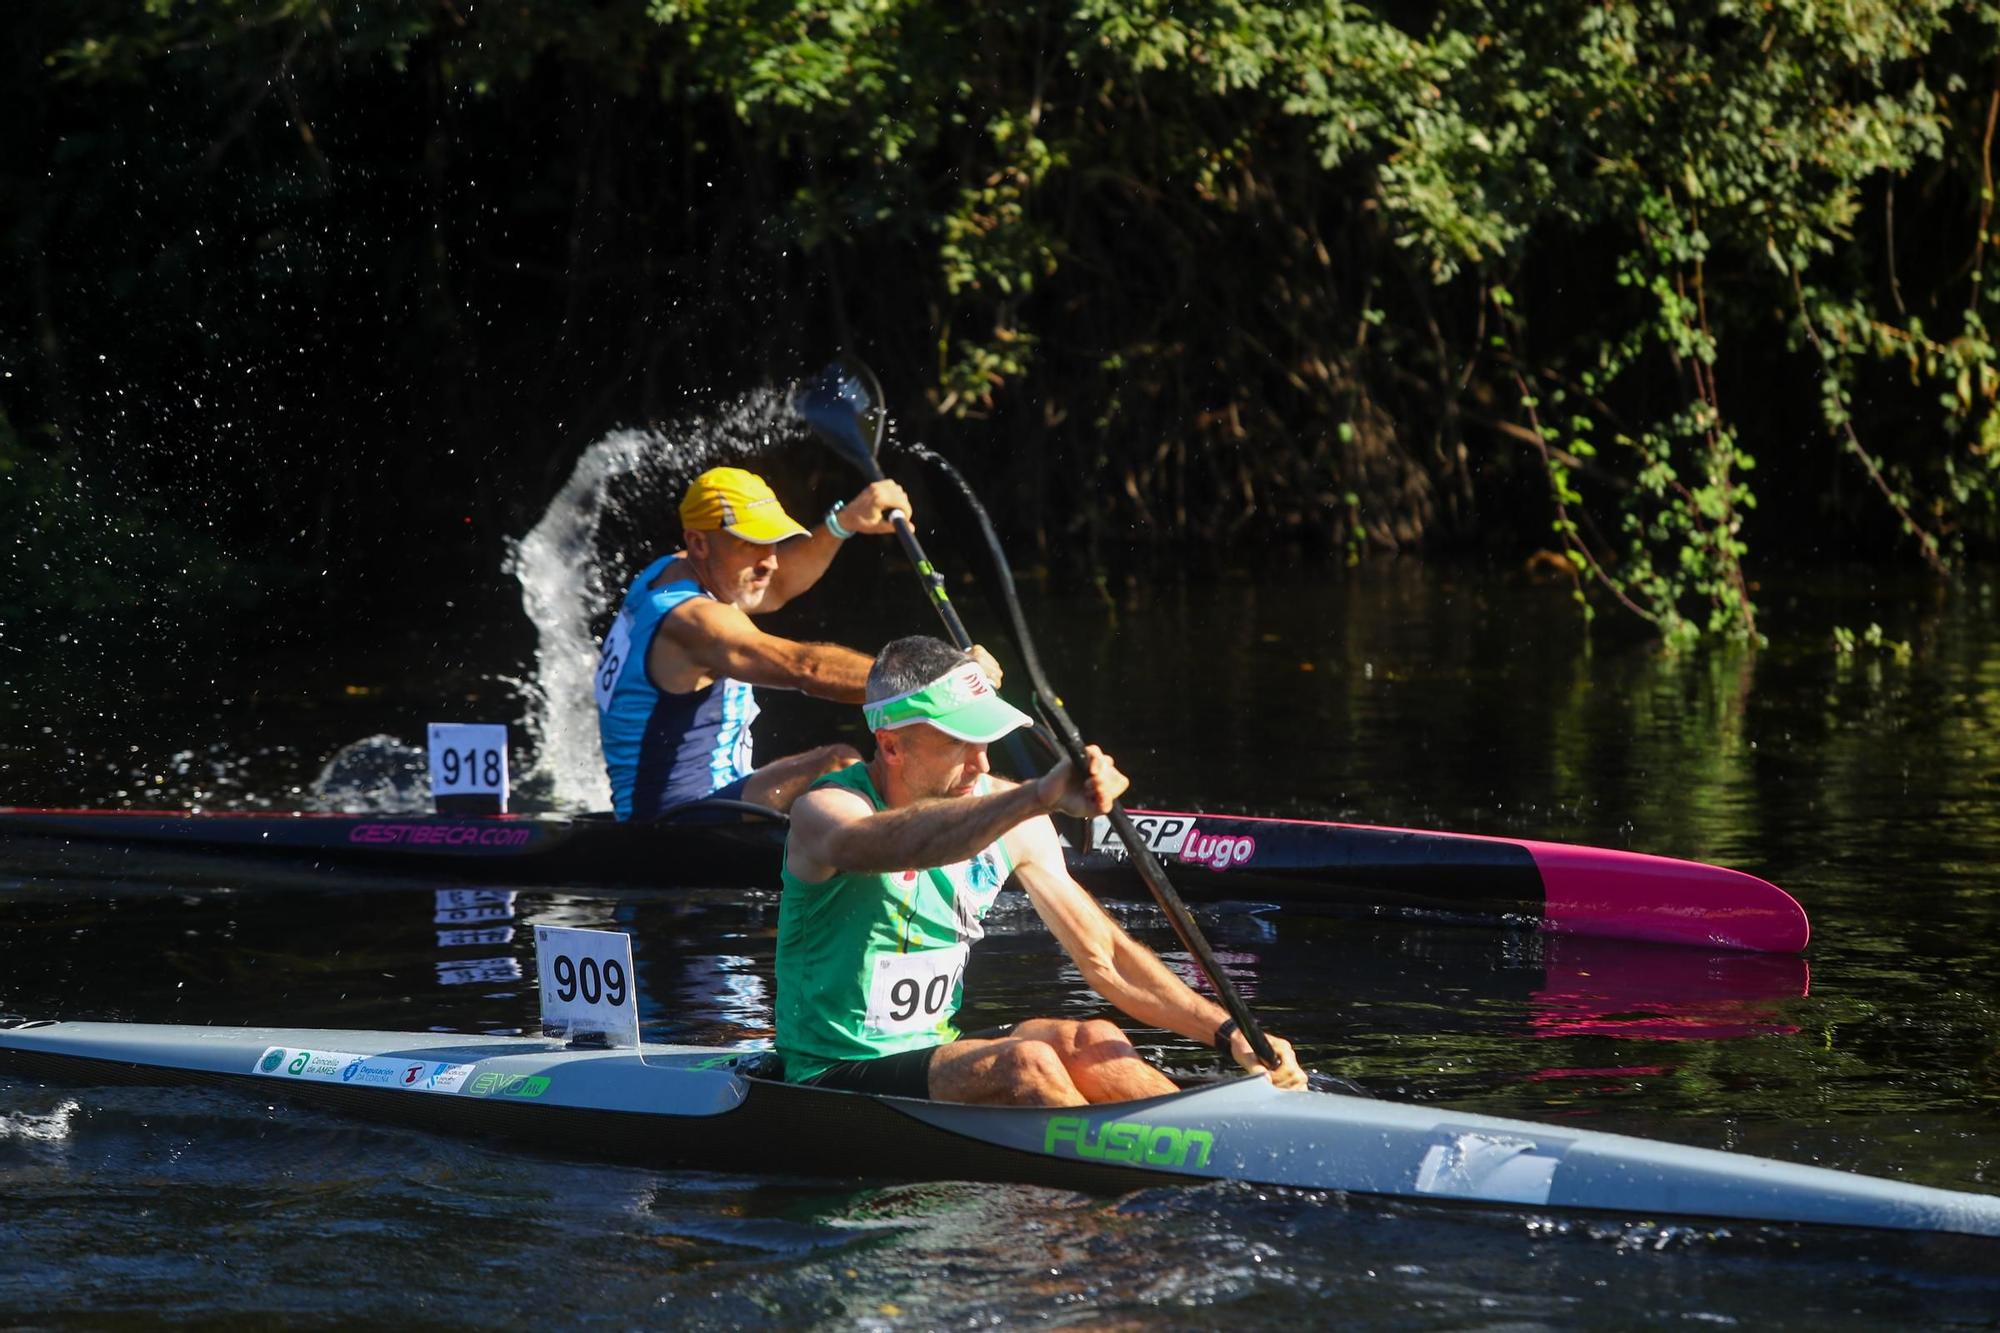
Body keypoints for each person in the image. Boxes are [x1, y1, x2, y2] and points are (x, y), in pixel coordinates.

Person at [775, 635, 1307, 1105]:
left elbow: (1108, 957)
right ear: (892, 745)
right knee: (1026, 1063)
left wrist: (1227, 1032)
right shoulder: (828, 812)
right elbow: (885, 845)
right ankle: (1112, 1196)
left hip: (932, 1051)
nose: (982, 764)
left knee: (1093, 1041)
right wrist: (1036, 796)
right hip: (830, 1074)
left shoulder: (1009, 815)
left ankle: (1212, 1151)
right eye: (960, 742)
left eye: (985, 740)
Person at [595, 466, 1000, 821]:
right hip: (676, 821)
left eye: (772, 541)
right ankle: (907, 847)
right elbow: (807, 670)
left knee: (844, 769)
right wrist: (941, 678)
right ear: (699, 542)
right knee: (839, 761)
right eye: (750, 543)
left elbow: (781, 581)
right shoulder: (695, 622)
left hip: (708, 798)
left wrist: (846, 521)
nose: (769, 560)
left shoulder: (669, 571)